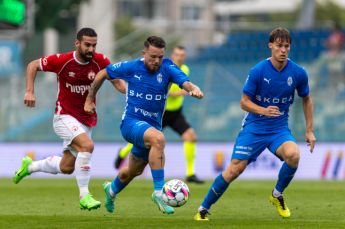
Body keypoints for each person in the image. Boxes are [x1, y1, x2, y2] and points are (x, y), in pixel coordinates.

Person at [194, 27, 316, 221]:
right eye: (279, 46)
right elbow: (244, 102)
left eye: (286, 46)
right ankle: (203, 208)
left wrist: (309, 131)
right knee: (235, 169)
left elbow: (307, 99)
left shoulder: (298, 73)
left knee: (293, 155)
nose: (283, 50)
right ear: (270, 46)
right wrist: (263, 110)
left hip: (279, 129)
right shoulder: (258, 71)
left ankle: (277, 195)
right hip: (255, 127)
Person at [84, 36, 204, 215]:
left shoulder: (168, 67)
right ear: (144, 53)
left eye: (160, 57)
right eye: (153, 56)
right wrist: (89, 98)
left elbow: (184, 82)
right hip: (130, 123)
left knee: (132, 171)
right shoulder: (132, 67)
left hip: (151, 126)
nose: (156, 61)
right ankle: (159, 193)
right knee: (158, 139)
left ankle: (111, 190)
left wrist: (193, 88)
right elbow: (103, 73)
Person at [13, 27, 125, 210]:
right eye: (87, 45)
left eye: (94, 45)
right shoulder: (63, 61)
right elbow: (32, 65)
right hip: (63, 116)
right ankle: (84, 196)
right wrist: (29, 91)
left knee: (66, 167)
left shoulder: (101, 61)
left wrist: (135, 92)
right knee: (87, 146)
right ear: (77, 43)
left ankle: (30, 166)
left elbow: (118, 83)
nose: (91, 49)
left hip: (86, 119)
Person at [114, 45, 204, 184]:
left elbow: (185, 86)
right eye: (177, 54)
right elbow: (166, 92)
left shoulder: (184, 70)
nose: (179, 57)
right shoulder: (165, 69)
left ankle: (190, 173)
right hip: (158, 113)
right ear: (172, 55)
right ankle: (123, 153)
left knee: (190, 136)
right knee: (148, 139)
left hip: (175, 113)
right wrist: (182, 92)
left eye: (182, 55)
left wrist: (189, 89)